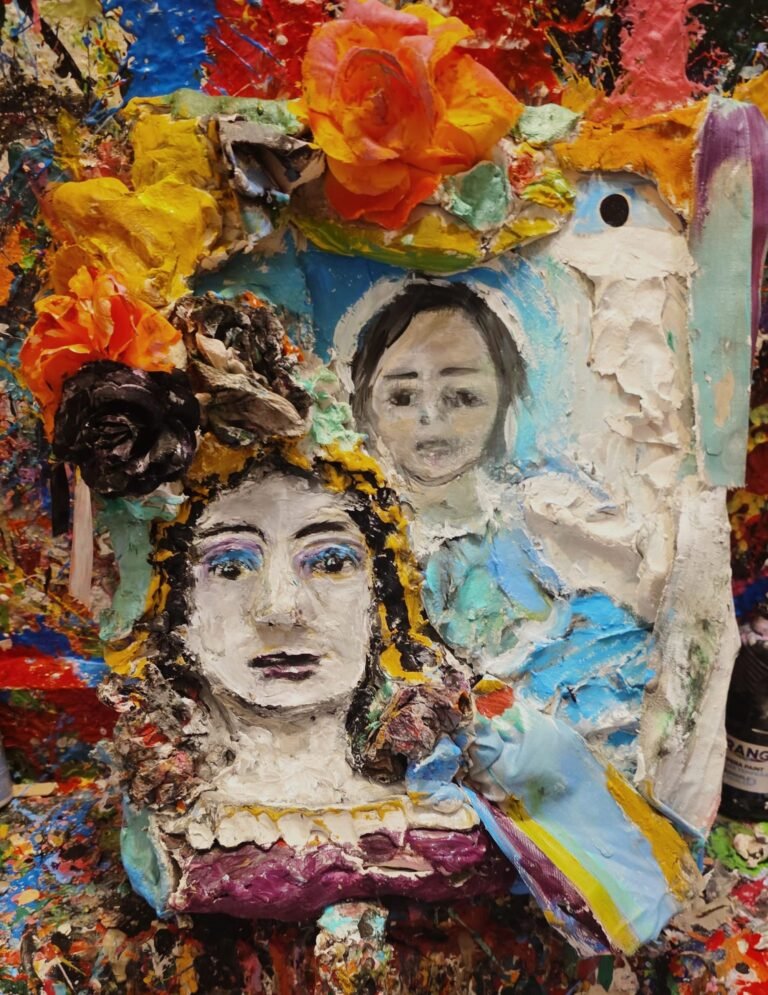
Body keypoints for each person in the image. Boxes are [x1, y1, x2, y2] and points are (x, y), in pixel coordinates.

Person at [105, 440, 696, 954]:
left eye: (330, 562)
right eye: (231, 567)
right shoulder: (178, 821)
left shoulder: (478, 768)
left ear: (383, 596)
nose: (280, 610)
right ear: (177, 604)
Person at [348, 279, 655, 759]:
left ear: (506, 399)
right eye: (403, 397)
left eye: (462, 396)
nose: (430, 417)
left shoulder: (547, 521)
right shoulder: (350, 545)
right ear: (365, 407)